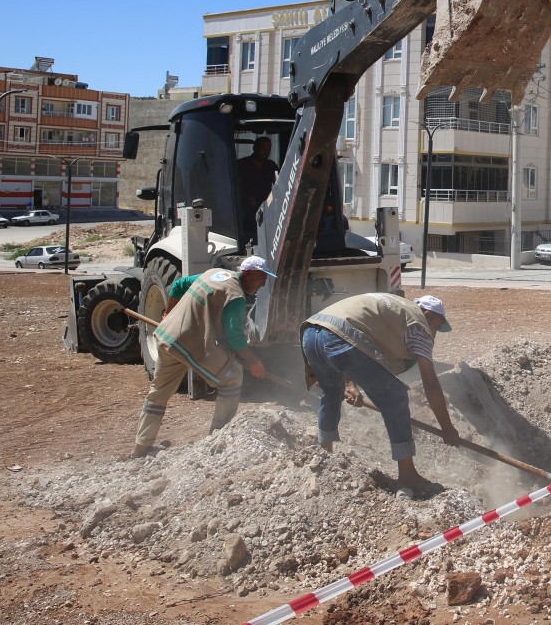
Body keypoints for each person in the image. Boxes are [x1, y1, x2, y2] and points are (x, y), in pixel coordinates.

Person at [301, 292, 461, 497]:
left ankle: (324, 458)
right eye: (437, 326)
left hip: (312, 331)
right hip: (339, 337)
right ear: (428, 314)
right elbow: (431, 384)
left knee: (331, 393)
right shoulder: (419, 326)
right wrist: (447, 428)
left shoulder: (395, 310)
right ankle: (407, 474)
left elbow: (355, 333)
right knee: (396, 397)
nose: (434, 333)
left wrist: (350, 384)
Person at [132, 256, 275, 458]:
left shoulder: (213, 274)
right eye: (261, 277)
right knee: (233, 377)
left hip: (167, 337)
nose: (263, 283)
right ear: (248, 273)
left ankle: (141, 446)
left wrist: (169, 316)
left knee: (158, 392)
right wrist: (254, 362)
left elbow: (178, 285)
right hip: (190, 345)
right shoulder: (235, 296)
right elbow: (235, 336)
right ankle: (217, 440)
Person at [238, 136, 280, 212]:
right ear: (254, 148)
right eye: (263, 149)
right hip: (244, 209)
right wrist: (247, 198)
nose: (266, 153)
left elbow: (278, 185)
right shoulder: (241, 164)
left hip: (267, 209)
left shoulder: (272, 166)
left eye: (268, 150)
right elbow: (234, 186)